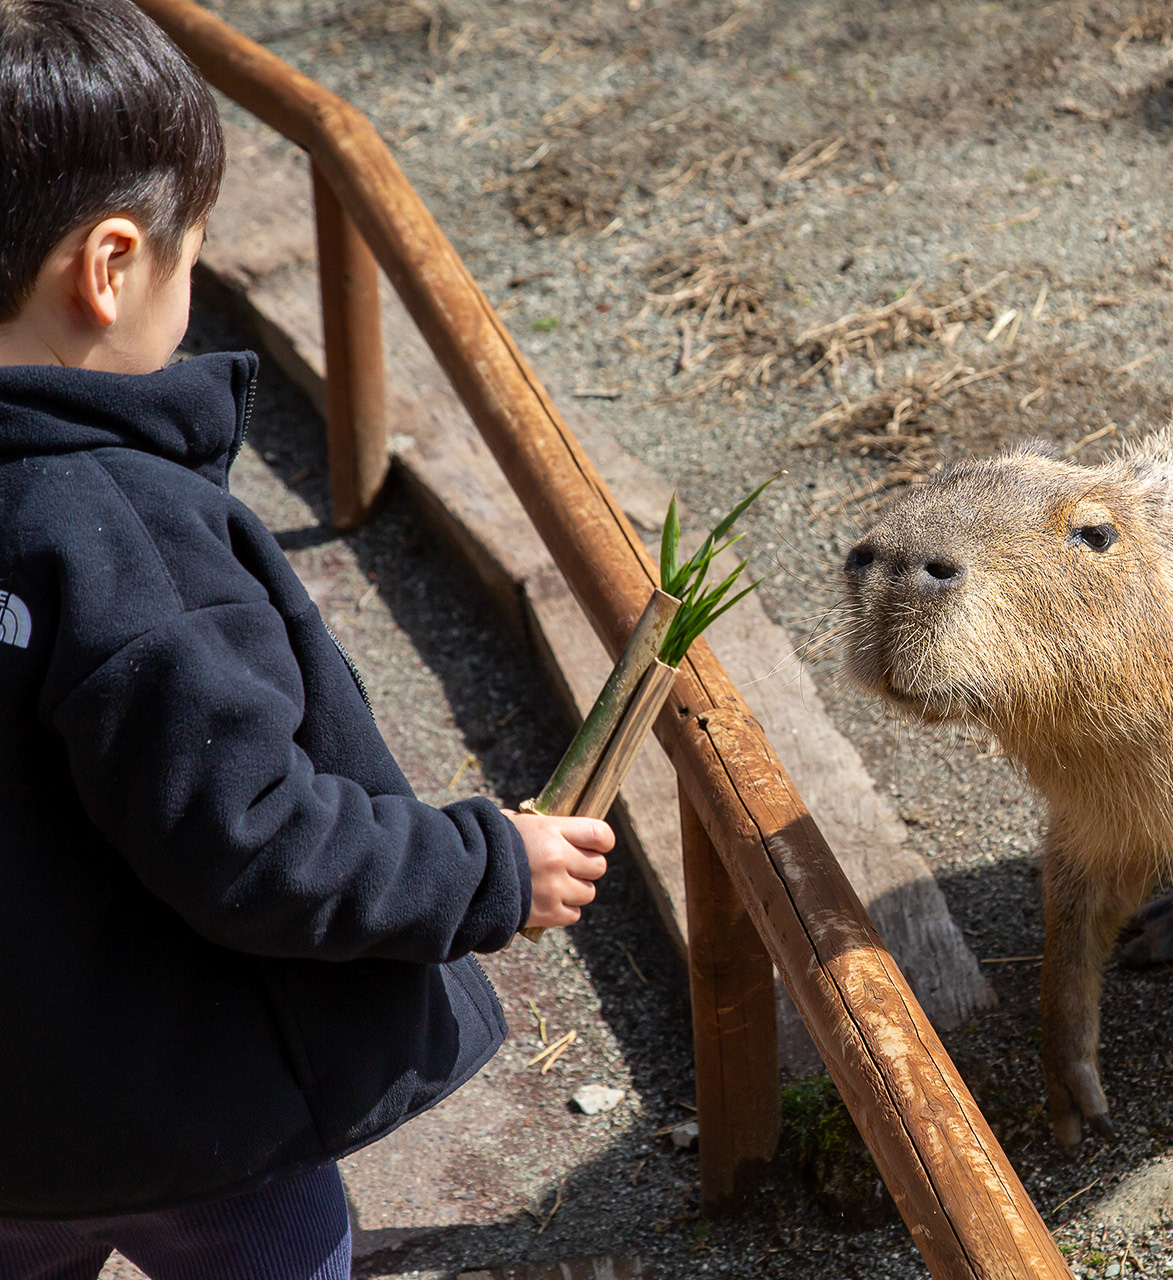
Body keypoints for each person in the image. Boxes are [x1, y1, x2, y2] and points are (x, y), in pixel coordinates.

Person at [0, 3, 614, 1276]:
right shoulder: (126, 537)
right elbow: (256, 837)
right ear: (108, 268)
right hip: (194, 1126)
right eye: (195, 261)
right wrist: (485, 866)